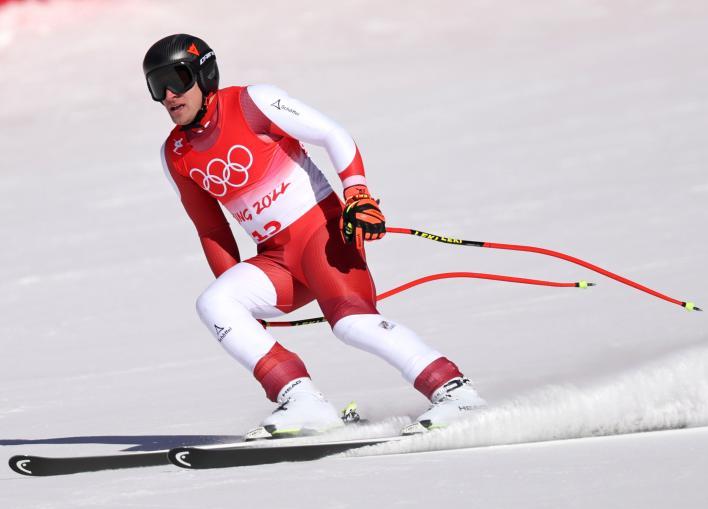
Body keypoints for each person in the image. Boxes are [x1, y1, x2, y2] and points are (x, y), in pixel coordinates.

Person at [143, 34, 485, 438]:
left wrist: (356, 193)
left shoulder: (253, 102)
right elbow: (212, 229)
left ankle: (455, 391)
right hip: (275, 259)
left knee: (352, 324)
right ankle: (303, 402)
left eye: (177, 79)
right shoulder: (176, 153)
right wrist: (244, 310)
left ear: (205, 73)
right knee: (216, 303)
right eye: (155, 85)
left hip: (323, 236)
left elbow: (333, 134)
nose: (167, 95)